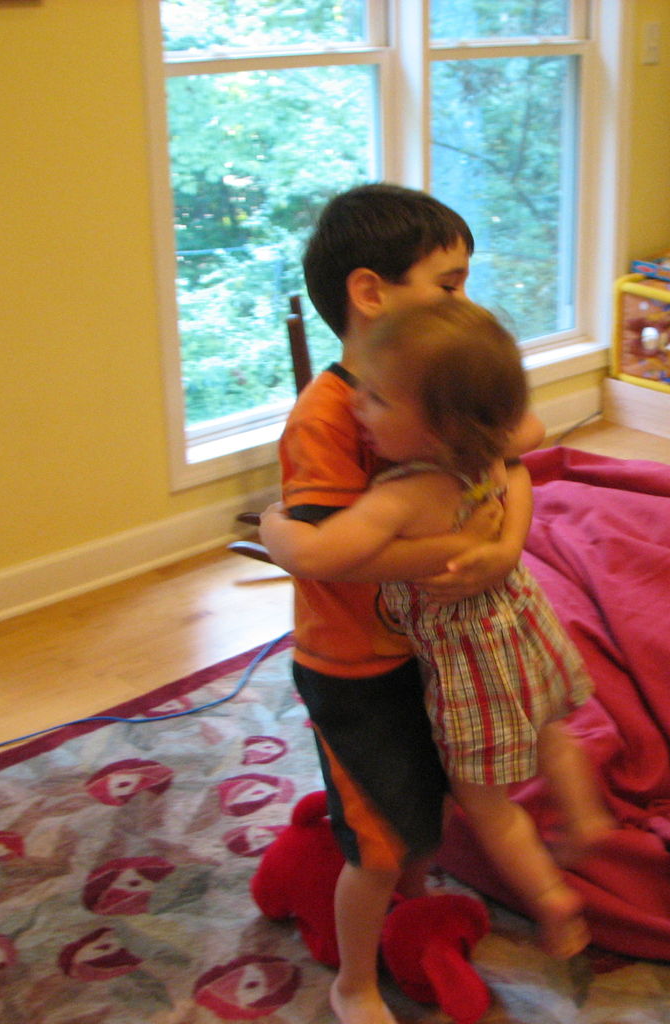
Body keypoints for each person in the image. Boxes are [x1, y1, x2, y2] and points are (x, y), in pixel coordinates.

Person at [261, 299, 614, 966]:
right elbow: (523, 457)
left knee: (486, 807)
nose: (358, 408)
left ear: (438, 425)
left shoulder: (404, 493)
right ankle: (585, 814)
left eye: (378, 400)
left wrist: (275, 523)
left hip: (470, 659)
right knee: (549, 731)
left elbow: (320, 556)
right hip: (521, 625)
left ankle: (550, 898)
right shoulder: (485, 455)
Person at [272, 183, 542, 1024]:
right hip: (354, 668)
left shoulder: (438, 383)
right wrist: (462, 542)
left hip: (436, 651)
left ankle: (408, 895)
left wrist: (500, 550)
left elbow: (519, 457)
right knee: (381, 847)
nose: (467, 303)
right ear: (371, 293)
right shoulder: (328, 416)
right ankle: (352, 982)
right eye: (450, 284)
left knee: (423, 811)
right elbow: (330, 560)